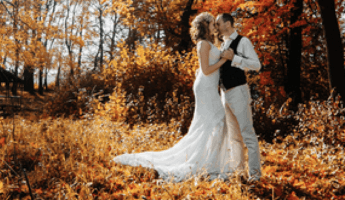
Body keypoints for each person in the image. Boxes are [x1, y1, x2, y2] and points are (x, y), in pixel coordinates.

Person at [112, 12, 246, 182]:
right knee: (218, 120)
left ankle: (211, 161)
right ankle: (206, 162)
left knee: (211, 123)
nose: (215, 26)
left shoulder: (210, 43)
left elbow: (204, 67)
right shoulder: (203, 44)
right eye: (212, 23)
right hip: (205, 88)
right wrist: (223, 61)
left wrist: (226, 57)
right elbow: (205, 70)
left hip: (209, 86)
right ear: (205, 26)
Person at [216, 13, 262, 182]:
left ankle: (255, 176)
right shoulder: (223, 44)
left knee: (247, 134)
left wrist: (234, 58)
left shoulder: (243, 41)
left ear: (227, 24)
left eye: (218, 23)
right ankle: (239, 172)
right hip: (225, 94)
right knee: (234, 137)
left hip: (239, 92)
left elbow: (256, 65)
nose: (216, 27)